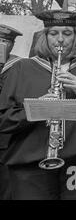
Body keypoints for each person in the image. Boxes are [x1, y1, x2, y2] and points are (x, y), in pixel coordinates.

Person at [0, 10, 76, 200]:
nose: (60, 39)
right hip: (30, 165)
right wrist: (35, 109)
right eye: (54, 33)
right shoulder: (22, 68)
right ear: (44, 37)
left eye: (67, 33)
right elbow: (3, 120)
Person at [0, 24, 23, 200]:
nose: (1, 45)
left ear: (12, 45)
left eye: (5, 41)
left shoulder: (19, 66)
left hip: (6, 136)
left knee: (6, 185)